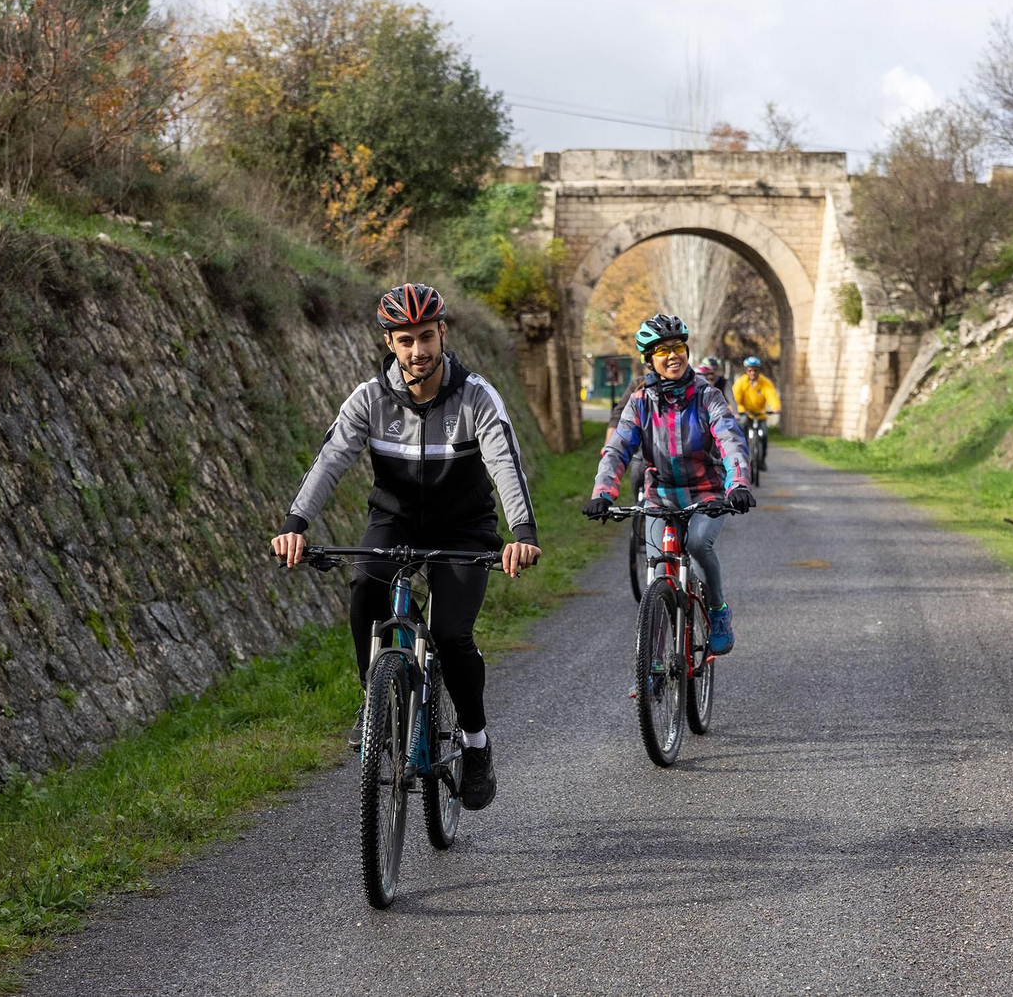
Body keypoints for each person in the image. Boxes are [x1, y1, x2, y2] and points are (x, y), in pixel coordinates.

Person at [270, 282, 541, 811]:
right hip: (394, 522)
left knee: (452, 635)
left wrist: (523, 535)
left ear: (442, 333)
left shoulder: (476, 396)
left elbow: (505, 464)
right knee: (364, 586)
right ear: (390, 344)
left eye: (426, 337)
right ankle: (374, 697)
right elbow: (330, 460)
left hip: (464, 529)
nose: (418, 350)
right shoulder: (370, 399)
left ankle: (476, 744)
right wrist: (295, 524)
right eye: (406, 340)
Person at [583, 314, 755, 654]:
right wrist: (602, 493)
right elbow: (617, 449)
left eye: (678, 347)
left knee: (698, 545)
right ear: (649, 360)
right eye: (662, 350)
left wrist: (738, 484)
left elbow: (730, 441)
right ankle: (654, 663)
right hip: (659, 498)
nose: (673, 355)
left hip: (706, 495)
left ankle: (718, 610)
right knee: (659, 570)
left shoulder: (708, 396)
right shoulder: (640, 402)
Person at [732, 356, 781, 472]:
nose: (752, 373)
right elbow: (735, 398)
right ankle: (743, 455)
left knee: (764, 435)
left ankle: (761, 460)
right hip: (745, 412)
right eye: (750, 370)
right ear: (746, 371)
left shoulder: (765, 383)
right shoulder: (741, 382)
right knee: (742, 426)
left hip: (760, 414)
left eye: (755, 370)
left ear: (758, 370)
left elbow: (771, 395)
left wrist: (775, 407)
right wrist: (735, 409)